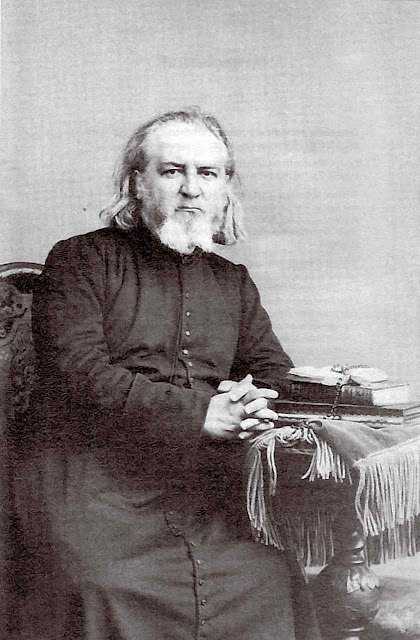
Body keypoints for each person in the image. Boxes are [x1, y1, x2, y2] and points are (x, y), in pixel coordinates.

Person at [15, 108, 321, 639]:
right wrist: (201, 413)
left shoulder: (232, 281)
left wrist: (253, 405)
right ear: (137, 183)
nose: (191, 189)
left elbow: (271, 368)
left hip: (202, 484)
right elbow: (79, 373)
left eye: (208, 174)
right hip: (89, 480)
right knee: (103, 584)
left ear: (224, 188)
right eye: (173, 171)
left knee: (269, 576)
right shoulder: (80, 259)